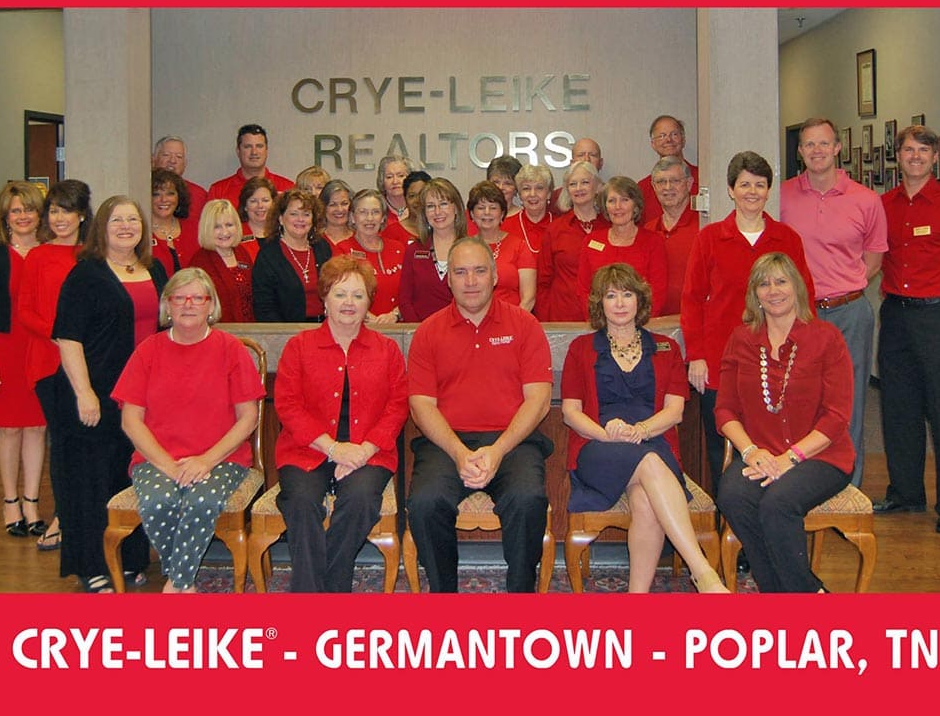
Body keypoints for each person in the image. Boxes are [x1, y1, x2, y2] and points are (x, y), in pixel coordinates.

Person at [562, 263, 728, 593]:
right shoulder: (581, 348)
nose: (620, 303)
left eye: (627, 294)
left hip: (653, 440)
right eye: (611, 295)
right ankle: (704, 574)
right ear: (600, 303)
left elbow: (675, 412)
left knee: (645, 502)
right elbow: (570, 413)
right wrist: (608, 434)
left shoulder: (666, 347)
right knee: (649, 463)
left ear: (640, 299)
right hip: (599, 447)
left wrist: (641, 430)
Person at [407, 236, 554, 592]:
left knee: (528, 499)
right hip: (446, 443)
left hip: (513, 442)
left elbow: (538, 400)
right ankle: (444, 596)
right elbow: (421, 405)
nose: (470, 281)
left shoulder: (525, 325)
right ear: (448, 279)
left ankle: (521, 594)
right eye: (460, 272)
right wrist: (459, 453)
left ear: (495, 276)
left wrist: (498, 450)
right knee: (425, 502)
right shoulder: (428, 331)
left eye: (479, 271)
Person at [113, 267, 265, 593]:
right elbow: (131, 420)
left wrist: (205, 461)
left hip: (221, 459)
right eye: (179, 298)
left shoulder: (231, 349)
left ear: (211, 305)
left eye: (198, 297)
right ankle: (183, 583)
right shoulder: (148, 350)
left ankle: (176, 585)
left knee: (200, 502)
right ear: (167, 305)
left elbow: (248, 418)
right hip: (157, 459)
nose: (188, 304)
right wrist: (168, 466)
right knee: (158, 502)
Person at [715, 252, 853, 593]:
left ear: (797, 288)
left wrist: (790, 458)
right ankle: (784, 592)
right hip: (760, 453)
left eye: (781, 281)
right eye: (764, 284)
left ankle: (802, 595)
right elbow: (725, 411)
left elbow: (837, 416)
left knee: (778, 503)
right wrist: (750, 452)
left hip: (820, 456)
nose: (773, 290)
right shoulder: (741, 339)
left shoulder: (826, 338)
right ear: (754, 294)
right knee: (732, 495)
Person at [52, 195, 168, 592]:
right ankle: (91, 566)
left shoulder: (154, 269)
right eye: (117, 220)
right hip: (94, 393)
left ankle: (130, 558)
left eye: (132, 220)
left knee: (128, 476)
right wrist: (84, 393)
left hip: (138, 396)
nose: (126, 227)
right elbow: (68, 338)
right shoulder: (86, 274)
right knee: (89, 483)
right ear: (101, 227)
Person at [681, 151, 814, 497]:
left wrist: (803, 353)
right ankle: (729, 517)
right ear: (731, 190)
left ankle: (772, 512)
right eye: (744, 185)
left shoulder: (787, 239)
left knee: (775, 440)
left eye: (759, 185)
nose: (752, 192)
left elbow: (805, 299)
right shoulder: (710, 238)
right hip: (721, 360)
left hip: (777, 360)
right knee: (721, 447)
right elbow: (692, 300)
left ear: (768, 190)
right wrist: (696, 355)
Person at [273, 256, 408, 592]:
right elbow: (288, 405)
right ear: (325, 298)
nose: (349, 302)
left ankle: (322, 592)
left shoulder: (387, 350)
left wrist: (362, 451)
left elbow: (397, 406)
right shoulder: (299, 346)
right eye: (340, 293)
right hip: (308, 449)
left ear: (368, 302)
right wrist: (334, 449)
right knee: (301, 502)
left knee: (360, 500)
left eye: (358, 295)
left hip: (369, 453)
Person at [874, 125, 940, 534]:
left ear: (935, 158)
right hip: (896, 315)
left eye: (923, 150)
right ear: (898, 156)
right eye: (908, 150)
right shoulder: (883, 205)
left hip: (939, 317)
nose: (914, 156)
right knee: (898, 408)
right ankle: (906, 492)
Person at [780, 118, 887, 487]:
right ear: (800, 151)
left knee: (850, 402)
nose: (817, 151)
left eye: (824, 143)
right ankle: (803, 484)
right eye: (809, 144)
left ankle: (848, 488)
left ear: (837, 148)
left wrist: (842, 286)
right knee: (800, 398)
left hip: (850, 312)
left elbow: (873, 261)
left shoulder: (866, 199)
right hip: (800, 315)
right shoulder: (783, 197)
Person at [18, 179, 93, 551]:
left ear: (81, 215)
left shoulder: (93, 256)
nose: (59, 218)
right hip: (49, 362)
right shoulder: (38, 256)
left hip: (88, 363)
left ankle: (86, 515)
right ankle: (63, 517)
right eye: (54, 211)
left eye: (67, 211)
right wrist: (61, 335)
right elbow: (25, 310)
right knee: (63, 442)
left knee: (87, 443)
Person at [0, 181, 47, 539]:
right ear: (5, 217)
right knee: (10, 428)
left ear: (40, 215)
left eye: (29, 209)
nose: (23, 216)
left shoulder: (49, 254)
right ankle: (10, 502)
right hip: (5, 350)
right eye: (15, 210)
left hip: (41, 350)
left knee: (37, 427)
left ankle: (32, 503)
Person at [577, 176, 668, 318]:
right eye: (612, 201)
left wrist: (637, 322)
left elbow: (658, 291)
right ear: (605, 206)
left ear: (635, 205)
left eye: (625, 200)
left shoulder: (653, 242)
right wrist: (597, 320)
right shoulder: (591, 241)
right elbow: (583, 289)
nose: (618, 206)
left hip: (641, 323)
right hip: (600, 323)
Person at [252, 188, 332, 322]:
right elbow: (264, 307)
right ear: (281, 219)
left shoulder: (322, 247)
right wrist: (284, 332)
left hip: (325, 326)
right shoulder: (268, 255)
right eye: (294, 214)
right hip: (286, 329)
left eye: (306, 214)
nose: (300, 219)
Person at [538, 160, 605, 321]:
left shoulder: (610, 228)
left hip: (604, 318)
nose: (579, 188)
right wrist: (547, 322)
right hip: (563, 319)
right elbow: (542, 282)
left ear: (597, 187)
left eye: (585, 182)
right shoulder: (555, 230)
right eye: (573, 184)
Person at [398, 177, 468, 322]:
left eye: (443, 204)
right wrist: (420, 329)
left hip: (461, 329)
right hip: (420, 330)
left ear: (456, 208)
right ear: (424, 213)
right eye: (430, 206)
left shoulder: (471, 250)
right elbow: (404, 300)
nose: (437, 211)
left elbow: (476, 299)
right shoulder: (414, 251)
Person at [336, 189, 405, 323]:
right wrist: (367, 317)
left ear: (383, 217)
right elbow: (338, 294)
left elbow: (412, 291)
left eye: (375, 212)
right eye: (363, 212)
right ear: (352, 217)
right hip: (358, 326)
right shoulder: (343, 250)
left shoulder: (399, 248)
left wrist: (395, 314)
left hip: (397, 325)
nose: (369, 218)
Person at [643, 156, 700, 315]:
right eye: (661, 182)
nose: (668, 187)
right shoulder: (647, 231)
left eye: (675, 181)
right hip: (655, 321)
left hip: (693, 319)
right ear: (654, 187)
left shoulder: (704, 228)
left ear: (689, 184)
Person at [468, 181, 536, 311]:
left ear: (502, 213)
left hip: (512, 319)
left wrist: (513, 321)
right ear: (472, 214)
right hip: (472, 319)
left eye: (493, 208)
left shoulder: (520, 247)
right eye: (481, 208)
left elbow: (528, 299)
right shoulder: (464, 249)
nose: (487, 212)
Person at [189, 199, 255, 322]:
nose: (224, 232)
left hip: (249, 328)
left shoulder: (242, 253)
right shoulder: (199, 263)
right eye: (217, 227)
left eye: (229, 225)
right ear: (206, 229)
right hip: (218, 330)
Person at [207, 123, 295, 208]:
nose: (254, 152)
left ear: (266, 150)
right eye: (248, 147)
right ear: (238, 151)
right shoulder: (218, 192)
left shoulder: (287, 188)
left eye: (259, 146)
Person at [638, 115, 699, 222]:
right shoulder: (643, 189)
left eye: (674, 134)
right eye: (662, 136)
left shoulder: (703, 179)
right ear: (653, 144)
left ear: (683, 140)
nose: (668, 140)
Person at [150, 167, 199, 276]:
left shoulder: (195, 228)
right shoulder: (141, 233)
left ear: (179, 197)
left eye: (170, 194)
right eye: (156, 194)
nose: (163, 199)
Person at [504, 164, 555, 257]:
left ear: (548, 194)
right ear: (520, 195)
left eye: (539, 188)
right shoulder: (505, 227)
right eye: (526, 188)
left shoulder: (561, 226)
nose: (532, 194)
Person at [152, 135, 207, 218]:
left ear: (185, 163)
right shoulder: (144, 189)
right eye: (166, 155)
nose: (172, 161)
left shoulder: (199, 195)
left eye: (179, 156)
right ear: (153, 160)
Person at [549, 137, 604, 212]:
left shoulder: (610, 194)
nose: (587, 159)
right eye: (581, 155)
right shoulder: (556, 198)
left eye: (592, 155)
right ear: (572, 163)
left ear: (601, 163)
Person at [382, 170, 430, 245]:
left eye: (422, 195)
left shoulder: (438, 229)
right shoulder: (392, 232)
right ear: (405, 199)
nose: (417, 200)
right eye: (412, 196)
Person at [237, 176, 277, 263]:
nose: (260, 206)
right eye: (253, 201)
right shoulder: (235, 235)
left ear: (274, 204)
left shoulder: (284, 232)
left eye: (265, 200)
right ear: (245, 206)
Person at [376, 155, 414, 221]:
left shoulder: (418, 207)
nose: (395, 181)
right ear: (382, 181)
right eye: (389, 177)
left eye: (400, 176)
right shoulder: (376, 207)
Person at [320, 179, 355, 250]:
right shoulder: (315, 241)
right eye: (332, 205)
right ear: (323, 207)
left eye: (344, 203)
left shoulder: (360, 238)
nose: (340, 209)